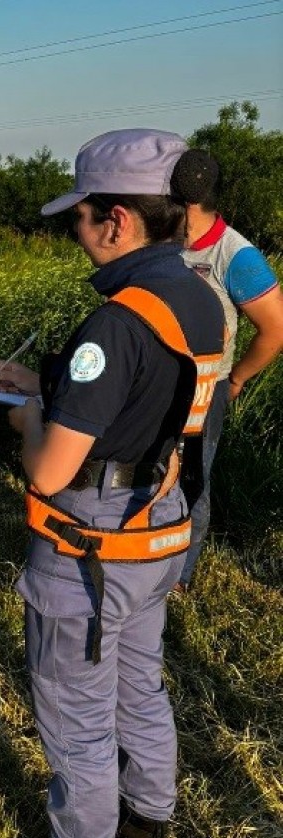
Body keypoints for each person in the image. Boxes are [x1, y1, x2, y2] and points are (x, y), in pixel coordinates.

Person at [0, 129, 225, 838]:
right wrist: (50, 377)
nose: (77, 232)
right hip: (158, 521)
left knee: (79, 724)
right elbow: (153, 389)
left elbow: (49, 473)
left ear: (116, 220)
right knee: (140, 686)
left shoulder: (116, 321)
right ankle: (149, 818)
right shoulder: (198, 297)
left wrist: (29, 415)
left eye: (80, 217)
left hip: (93, 546)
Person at [168, 149, 283, 593]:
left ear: (184, 201)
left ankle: (180, 576)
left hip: (206, 388)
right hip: (157, 381)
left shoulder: (235, 255)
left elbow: (274, 329)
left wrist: (235, 379)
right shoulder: (164, 242)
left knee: (194, 479)